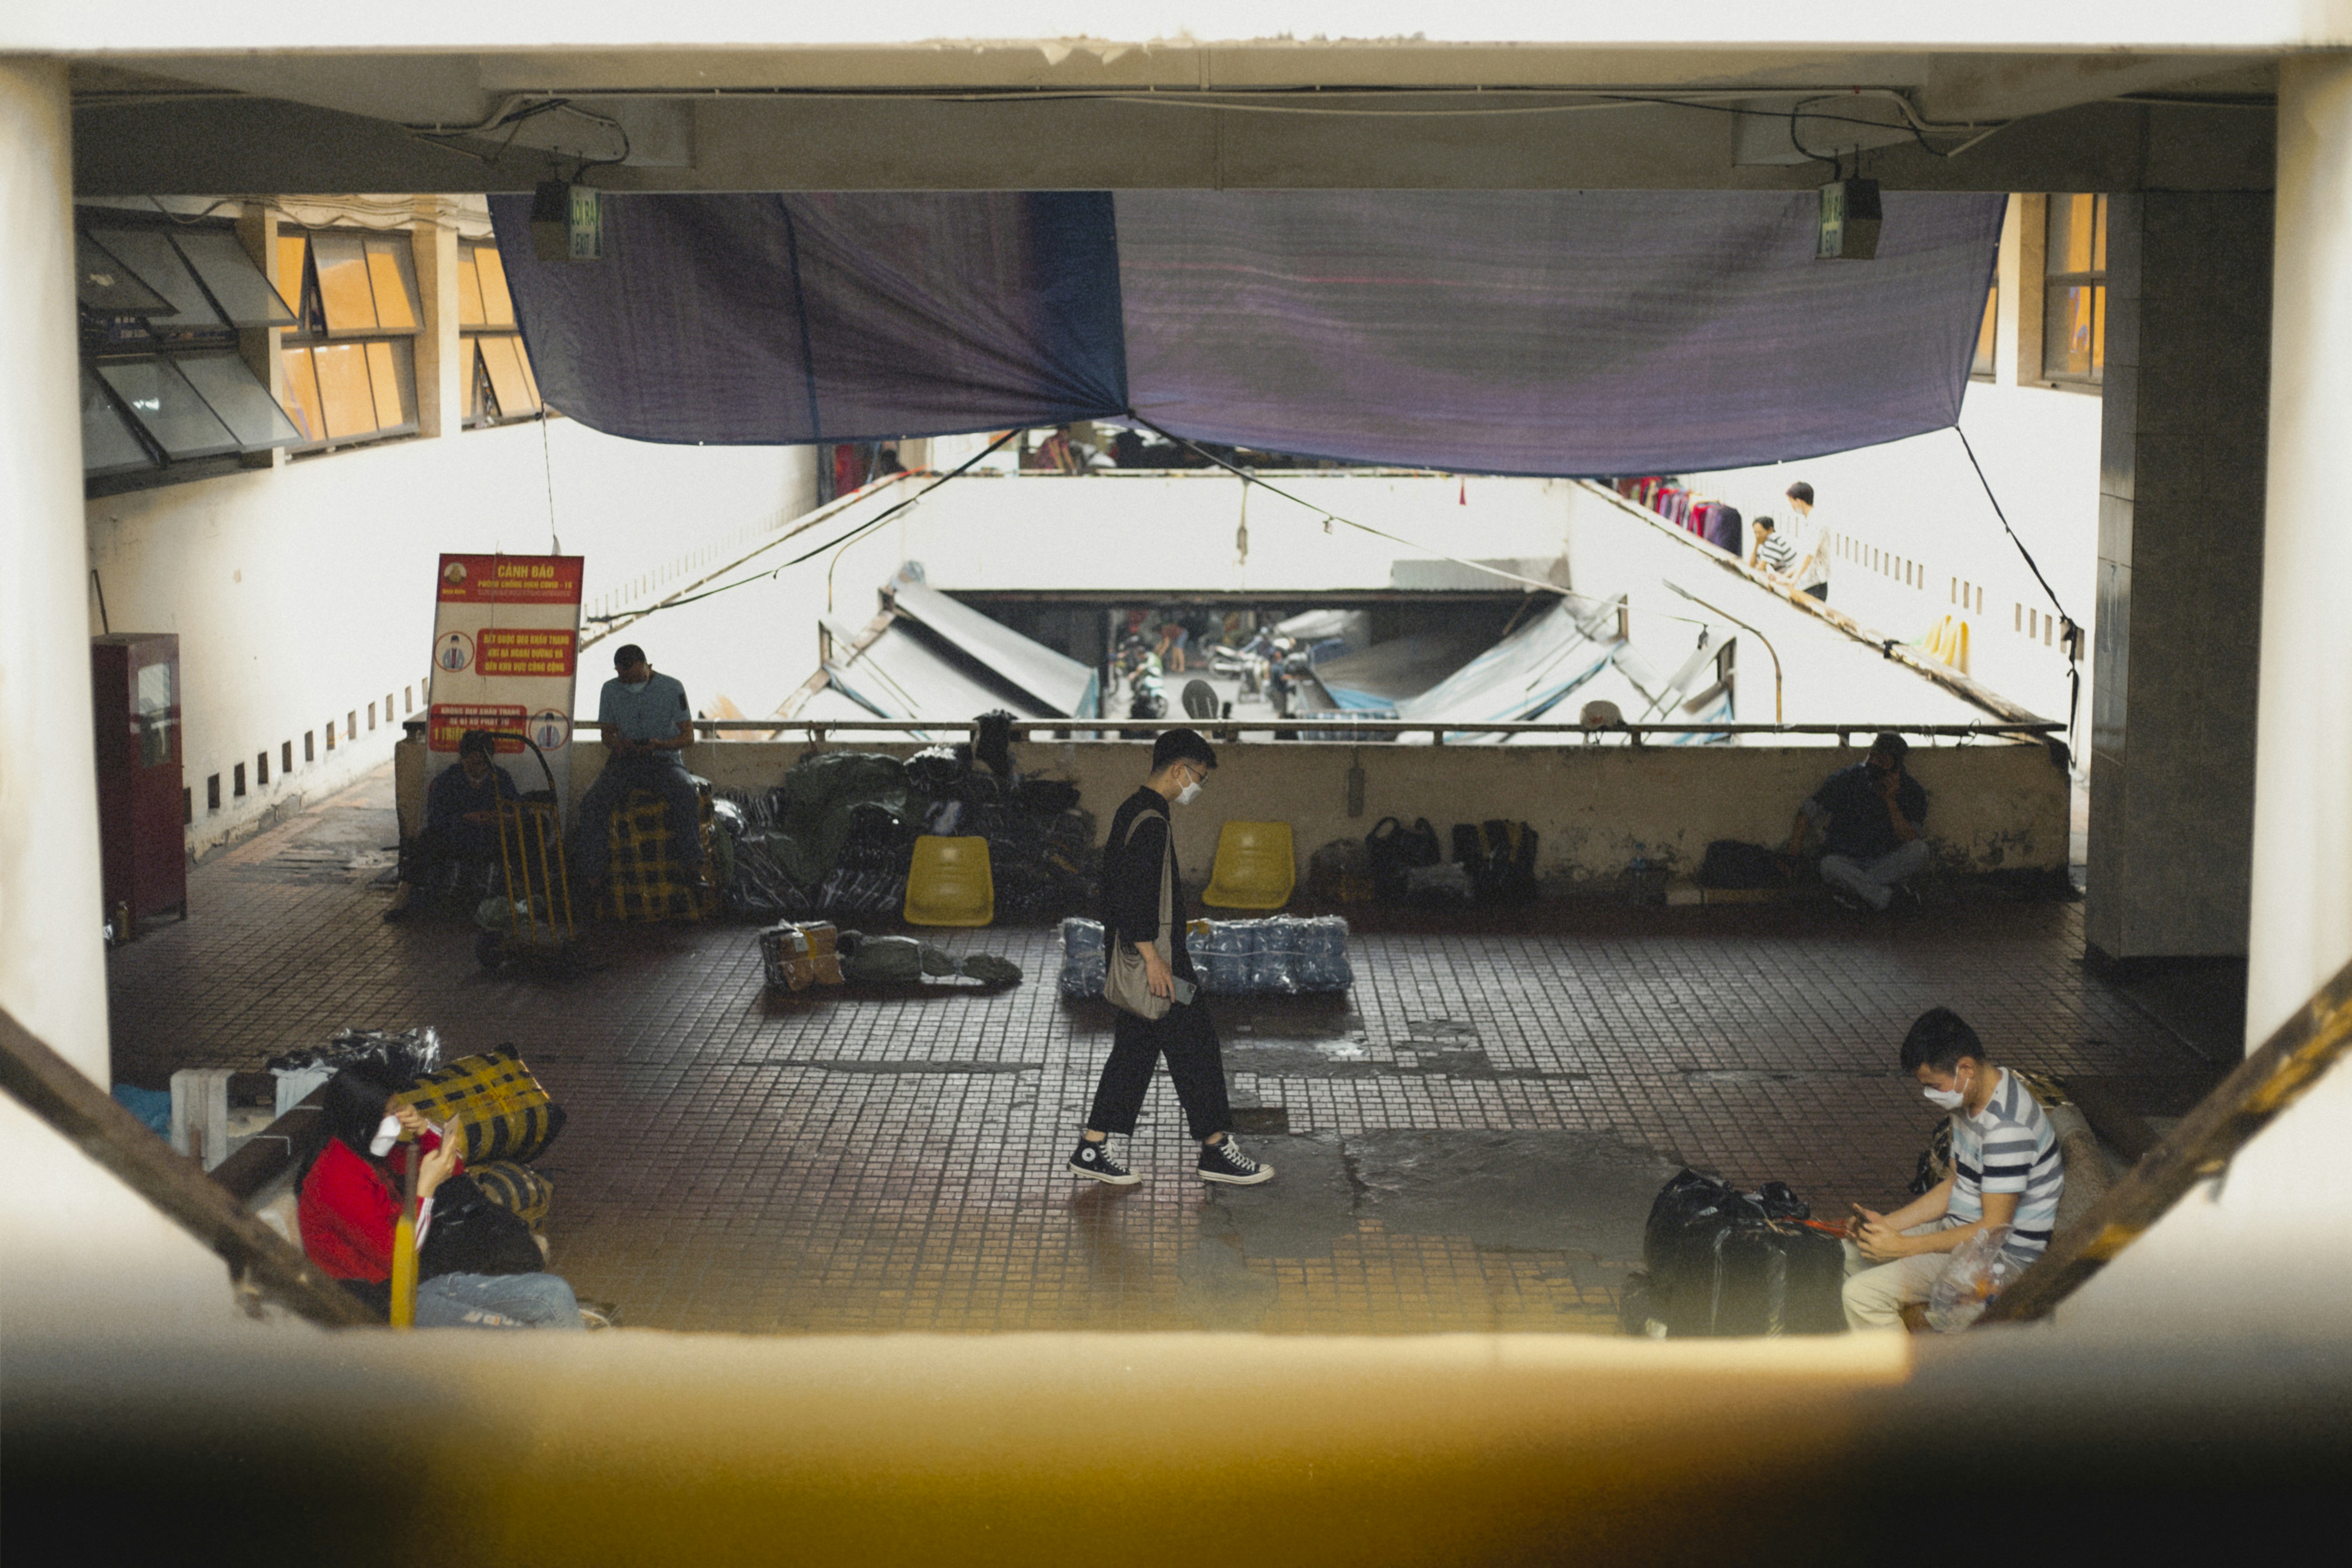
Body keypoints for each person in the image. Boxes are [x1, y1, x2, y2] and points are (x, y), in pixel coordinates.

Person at [1069, 728, 1274, 1188]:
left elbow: (1115, 891)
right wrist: (1154, 959)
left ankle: (1094, 1145)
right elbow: (1132, 894)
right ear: (1179, 769)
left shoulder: (1135, 809)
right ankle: (1216, 1148)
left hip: (1148, 958)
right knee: (1197, 1044)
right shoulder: (1152, 821)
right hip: (1159, 963)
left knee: (1137, 1049)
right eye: (1198, 777)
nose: (1196, 787)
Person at [297, 1066, 594, 1328]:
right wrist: (425, 1190)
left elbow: (455, 1165)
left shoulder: (371, 1153)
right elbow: (398, 1259)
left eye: (397, 1108)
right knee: (515, 1335)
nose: (397, 1119)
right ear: (361, 1120)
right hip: (389, 1300)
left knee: (554, 1293)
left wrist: (425, 1130)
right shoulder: (336, 1178)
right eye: (389, 1112)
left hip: (423, 1279)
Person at [1842, 1008, 2064, 1329]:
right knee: (1852, 1252)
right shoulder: (1973, 1096)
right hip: (1961, 1233)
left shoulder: (2007, 1130)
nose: (1930, 1095)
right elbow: (1957, 1184)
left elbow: (1993, 1229)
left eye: (1935, 1085)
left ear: (1966, 1069)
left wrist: (1905, 1246)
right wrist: (1887, 1225)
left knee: (1861, 1295)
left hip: (1995, 1261)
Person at [571, 643, 704, 898]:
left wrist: (661, 745)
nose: (628, 683)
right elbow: (607, 735)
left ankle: (693, 868)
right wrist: (620, 744)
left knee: (686, 792)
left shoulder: (672, 688)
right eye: (623, 678)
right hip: (626, 760)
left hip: (663, 759)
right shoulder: (610, 690)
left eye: (632, 678)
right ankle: (593, 878)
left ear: (645, 665)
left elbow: (688, 737)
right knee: (592, 803)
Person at [385, 729, 520, 921]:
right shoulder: (448, 780)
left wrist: (501, 818)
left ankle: (517, 900)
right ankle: (405, 899)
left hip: (491, 837)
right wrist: (464, 818)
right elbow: (436, 818)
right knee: (425, 842)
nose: (478, 769)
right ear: (463, 759)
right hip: (457, 837)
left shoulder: (501, 779)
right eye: (472, 763)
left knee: (528, 837)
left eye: (483, 763)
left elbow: (517, 811)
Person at [1788, 732, 1929, 912]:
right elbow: (1807, 812)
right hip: (1848, 860)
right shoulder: (1848, 779)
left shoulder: (1911, 791)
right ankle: (1889, 900)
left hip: (1885, 861)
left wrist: (1891, 801)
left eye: (1882, 760)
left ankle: (1856, 895)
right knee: (1829, 866)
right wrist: (1792, 856)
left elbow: (1910, 839)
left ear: (1897, 766)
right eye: (1872, 756)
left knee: (1921, 851)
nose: (1874, 764)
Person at [1783, 481, 1831, 603]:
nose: (1792, 506)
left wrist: (1794, 579)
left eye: (1791, 502)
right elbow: (1803, 557)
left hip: (1815, 584)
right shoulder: (1809, 520)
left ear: (1799, 501)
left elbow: (1809, 555)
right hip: (1807, 583)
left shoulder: (1816, 521)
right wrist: (1787, 576)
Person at [1748, 514, 1796, 578]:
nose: (1757, 536)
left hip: (1790, 578)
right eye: (1755, 533)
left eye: (1760, 533)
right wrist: (1757, 544)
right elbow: (1752, 564)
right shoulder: (1765, 542)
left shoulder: (1774, 540)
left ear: (1771, 530)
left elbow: (1761, 568)